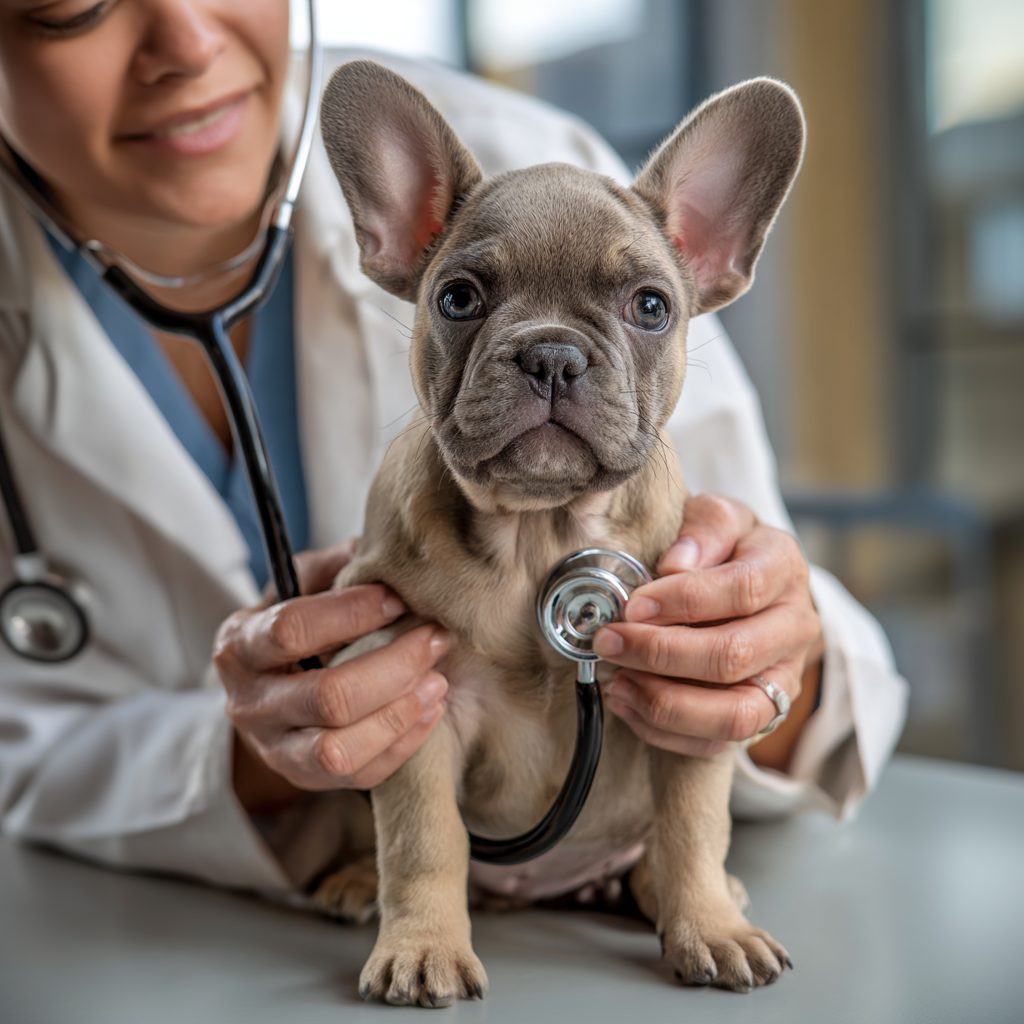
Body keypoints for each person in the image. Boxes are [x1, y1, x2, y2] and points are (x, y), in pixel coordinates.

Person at [0, 0, 907, 894]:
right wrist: (245, 756)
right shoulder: (434, 182)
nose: (188, 41)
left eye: (642, 309)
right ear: (401, 236)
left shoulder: (570, 181)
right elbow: (23, 755)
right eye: (72, 8)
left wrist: (767, 665)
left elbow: (826, 681)